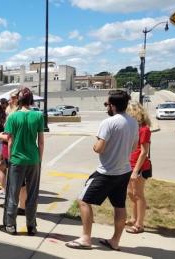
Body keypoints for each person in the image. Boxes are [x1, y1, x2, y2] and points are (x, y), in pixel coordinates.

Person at [65, 90, 138, 251]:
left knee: (83, 200)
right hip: (124, 170)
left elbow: (98, 148)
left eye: (107, 104)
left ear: (112, 105)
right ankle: (115, 241)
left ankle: (85, 238)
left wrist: (96, 143)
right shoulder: (133, 122)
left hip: (106, 172)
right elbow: (134, 148)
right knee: (119, 205)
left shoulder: (108, 123)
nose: (107, 107)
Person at [0, 87, 44, 236]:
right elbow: (41, 142)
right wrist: (39, 160)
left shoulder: (12, 117)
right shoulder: (38, 116)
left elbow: (10, 141)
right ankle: (31, 226)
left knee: (13, 193)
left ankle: (10, 225)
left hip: (17, 159)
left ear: (19, 100)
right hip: (33, 159)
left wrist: (10, 160)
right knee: (32, 193)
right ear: (31, 101)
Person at [126, 102, 152, 234]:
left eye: (129, 113)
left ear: (135, 113)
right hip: (130, 165)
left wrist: (136, 171)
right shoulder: (133, 128)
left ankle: (139, 225)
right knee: (131, 194)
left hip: (140, 167)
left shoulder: (144, 129)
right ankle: (133, 218)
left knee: (138, 195)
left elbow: (144, 152)